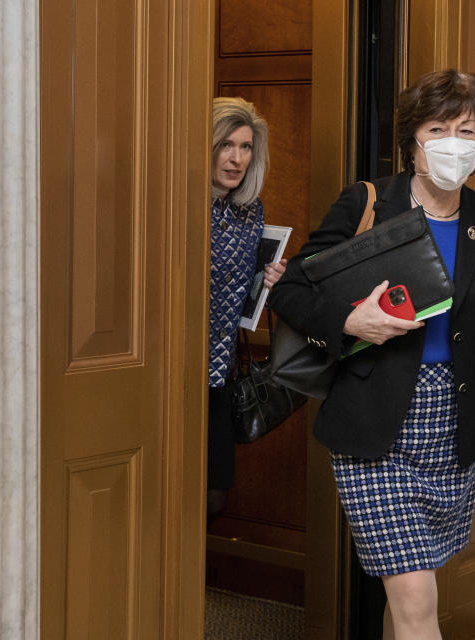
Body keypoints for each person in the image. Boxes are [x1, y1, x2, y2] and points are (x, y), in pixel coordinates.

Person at [268, 69, 475, 639]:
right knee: (414, 594)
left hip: (451, 429)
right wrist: (347, 319)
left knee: (409, 593)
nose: (454, 143)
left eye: (466, 130)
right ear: (412, 140)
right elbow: (290, 290)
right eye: (439, 128)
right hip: (374, 426)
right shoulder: (368, 202)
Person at [206, 97, 286, 524]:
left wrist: (266, 279)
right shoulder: (176, 206)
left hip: (218, 373)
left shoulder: (249, 212)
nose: (236, 158)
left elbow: (238, 290)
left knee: (214, 497)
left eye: (245, 146)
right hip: (171, 372)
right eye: (225, 145)